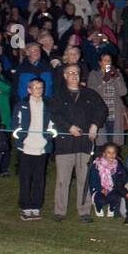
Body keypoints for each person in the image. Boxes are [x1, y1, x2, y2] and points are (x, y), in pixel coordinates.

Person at [50, 64, 109, 222]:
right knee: (63, 179)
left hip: (85, 143)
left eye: (76, 73)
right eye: (70, 73)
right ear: (64, 76)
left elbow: (102, 110)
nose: (74, 76)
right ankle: (59, 211)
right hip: (65, 143)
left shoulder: (90, 94)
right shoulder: (58, 95)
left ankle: (84, 211)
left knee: (84, 178)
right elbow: (54, 114)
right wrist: (68, 127)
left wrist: (95, 125)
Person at [12, 77, 56, 220]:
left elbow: (52, 123)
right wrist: (21, 138)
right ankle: (25, 207)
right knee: (25, 178)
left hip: (42, 147)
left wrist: (48, 137)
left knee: (39, 178)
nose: (39, 90)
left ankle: (36, 206)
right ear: (29, 89)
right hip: (26, 147)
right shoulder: (22, 104)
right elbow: (16, 124)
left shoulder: (48, 104)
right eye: (35, 87)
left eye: (41, 87)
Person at [87, 50, 128, 148]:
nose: (108, 63)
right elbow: (92, 93)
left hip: (114, 112)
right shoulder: (94, 74)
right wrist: (104, 81)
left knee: (113, 143)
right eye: (105, 60)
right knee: (101, 143)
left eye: (109, 61)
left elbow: (123, 92)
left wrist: (117, 78)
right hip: (99, 114)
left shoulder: (116, 73)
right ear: (100, 62)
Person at [88, 143, 128, 218]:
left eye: (113, 152)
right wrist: (101, 189)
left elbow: (122, 177)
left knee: (116, 197)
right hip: (98, 189)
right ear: (104, 154)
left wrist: (115, 187)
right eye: (109, 152)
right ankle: (98, 207)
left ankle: (111, 208)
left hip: (112, 188)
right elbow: (93, 180)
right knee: (101, 200)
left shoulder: (117, 165)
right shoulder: (97, 165)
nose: (111, 155)